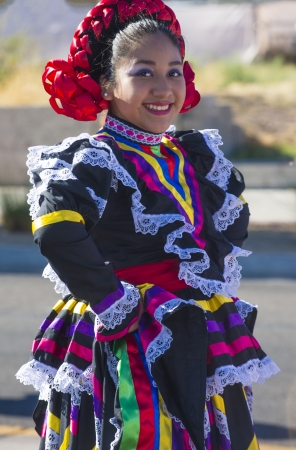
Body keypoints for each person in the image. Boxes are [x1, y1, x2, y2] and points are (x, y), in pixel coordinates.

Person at [16, 1, 279, 449]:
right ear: (106, 83)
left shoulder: (192, 155)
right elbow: (56, 228)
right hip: (131, 337)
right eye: (144, 72)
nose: (163, 87)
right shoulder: (94, 157)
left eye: (174, 71)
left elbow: (225, 229)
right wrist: (113, 299)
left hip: (200, 330)